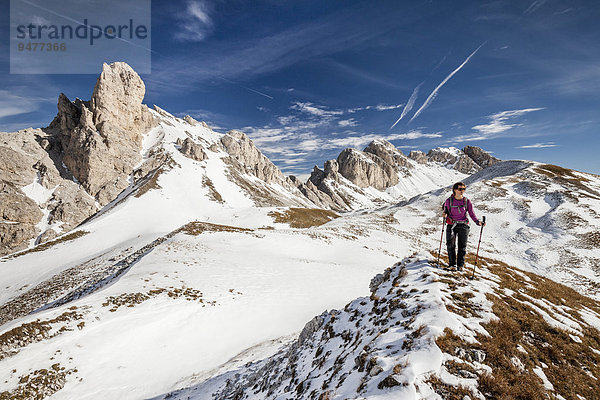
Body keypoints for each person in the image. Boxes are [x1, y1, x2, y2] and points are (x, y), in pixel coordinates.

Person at [442, 182, 485, 271]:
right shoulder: (449, 201)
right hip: (451, 225)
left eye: (464, 189)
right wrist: (444, 214)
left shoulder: (466, 201)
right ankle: (452, 264)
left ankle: (460, 266)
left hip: (463, 225)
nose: (462, 191)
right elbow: (445, 210)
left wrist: (478, 222)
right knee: (450, 245)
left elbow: (471, 213)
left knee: (462, 246)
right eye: (460, 189)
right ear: (455, 190)